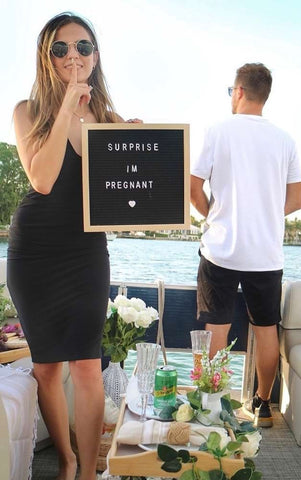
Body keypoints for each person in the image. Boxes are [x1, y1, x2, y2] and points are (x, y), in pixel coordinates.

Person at [7, 12, 139, 480]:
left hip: (86, 252)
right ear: (48, 57)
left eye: (83, 47)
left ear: (95, 55)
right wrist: (67, 104)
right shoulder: (27, 111)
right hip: (34, 251)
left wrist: (140, 142)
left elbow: (133, 193)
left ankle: (86, 471)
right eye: (61, 49)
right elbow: (42, 179)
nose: (73, 56)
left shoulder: (108, 118)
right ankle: (63, 460)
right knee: (46, 369)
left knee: (86, 365)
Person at [190, 62, 301, 428]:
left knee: (216, 329)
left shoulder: (217, 131)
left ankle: (211, 403)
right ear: (264, 96)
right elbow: (297, 199)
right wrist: (268, 213)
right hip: (265, 254)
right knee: (266, 328)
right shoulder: (285, 140)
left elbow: (193, 188)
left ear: (238, 92)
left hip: (221, 249)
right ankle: (263, 405)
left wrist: (213, 215)